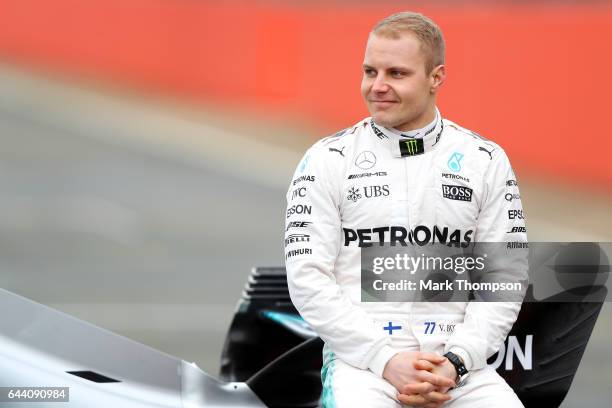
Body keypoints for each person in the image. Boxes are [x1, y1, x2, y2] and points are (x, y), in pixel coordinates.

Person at [284, 11, 527, 408]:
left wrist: (456, 362)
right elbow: (308, 278)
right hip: (363, 366)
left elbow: (503, 279)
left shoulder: (485, 160)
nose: (377, 86)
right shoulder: (327, 159)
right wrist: (386, 359)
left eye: (396, 73)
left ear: (436, 77)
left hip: (460, 369)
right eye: (369, 71)